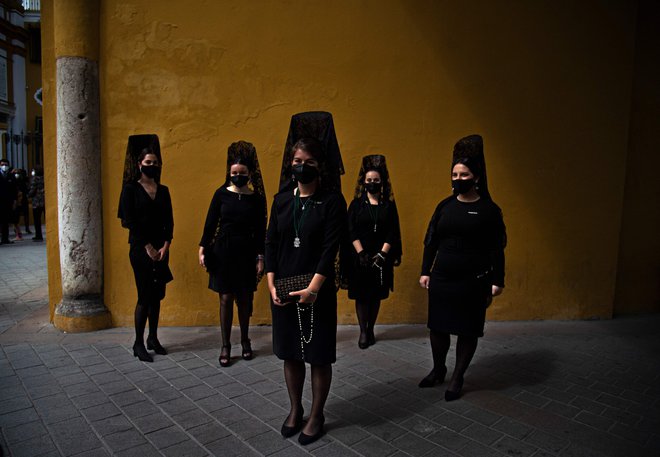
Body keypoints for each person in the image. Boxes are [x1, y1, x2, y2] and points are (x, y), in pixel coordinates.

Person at [265, 112, 346, 445]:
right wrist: (271, 282)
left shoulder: (331, 201)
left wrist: (313, 288)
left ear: (319, 165)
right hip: (284, 288)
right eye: (297, 160)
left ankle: (316, 414)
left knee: (318, 354)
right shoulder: (282, 200)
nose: (302, 166)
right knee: (290, 353)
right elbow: (270, 241)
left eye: (309, 161)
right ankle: (295, 408)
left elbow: (331, 249)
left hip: (317, 291)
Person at [419, 134, 506, 401]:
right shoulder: (444, 206)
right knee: (438, 327)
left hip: (473, 281)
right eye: (454, 174)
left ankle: (457, 376)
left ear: (476, 177)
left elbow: (496, 248)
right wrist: (425, 271)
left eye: (464, 174)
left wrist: (497, 280)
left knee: (468, 329)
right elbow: (431, 239)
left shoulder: (489, 210)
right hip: (443, 278)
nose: (457, 179)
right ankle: (438, 369)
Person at [198, 141, 267, 367]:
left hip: (246, 252)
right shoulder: (221, 194)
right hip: (223, 252)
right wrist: (202, 248)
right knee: (226, 298)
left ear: (249, 173)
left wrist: (260, 257)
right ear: (229, 173)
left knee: (245, 299)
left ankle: (245, 341)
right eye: (234, 172)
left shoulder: (255, 199)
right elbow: (210, 224)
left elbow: (260, 230)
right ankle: (226, 344)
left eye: (242, 173)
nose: (238, 175)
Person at [118, 141, 174, 362]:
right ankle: (138, 342)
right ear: (140, 164)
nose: (152, 165)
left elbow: (169, 220)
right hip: (141, 250)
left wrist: (165, 246)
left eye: (155, 163)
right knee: (144, 295)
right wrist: (148, 247)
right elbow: (129, 221)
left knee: (157, 295)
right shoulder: (130, 189)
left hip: (161, 249)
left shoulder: (163, 190)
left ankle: (153, 337)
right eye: (148, 162)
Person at [344, 154, 402, 349]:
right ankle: (362, 331)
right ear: (363, 182)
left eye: (376, 180)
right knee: (362, 296)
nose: (372, 183)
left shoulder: (388, 205)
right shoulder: (356, 205)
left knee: (376, 295)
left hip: (380, 258)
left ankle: (371, 329)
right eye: (369, 180)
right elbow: (350, 230)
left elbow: (393, 232)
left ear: (382, 182)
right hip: (360, 257)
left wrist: (383, 254)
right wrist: (361, 253)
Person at [0, 159, 17, 245]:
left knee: (5, 221)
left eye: (6, 165)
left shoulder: (11, 176)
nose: (4, 166)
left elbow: (14, 190)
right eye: (2, 164)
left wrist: (14, 201)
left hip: (7, 202)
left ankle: (5, 238)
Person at [28, 167, 45, 241]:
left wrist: (28, 195)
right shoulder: (45, 178)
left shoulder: (35, 179)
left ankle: (38, 235)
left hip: (37, 202)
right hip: (44, 201)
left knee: (37, 220)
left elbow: (32, 190)